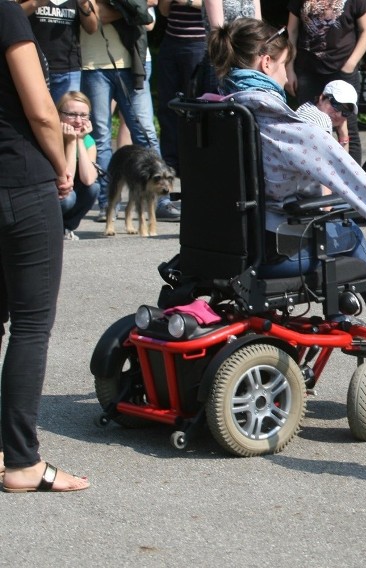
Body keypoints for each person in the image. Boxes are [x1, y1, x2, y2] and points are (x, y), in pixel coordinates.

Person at [207, 18, 366, 357]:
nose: (288, 77)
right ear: (266, 62)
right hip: (268, 253)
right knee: (351, 234)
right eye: (285, 65)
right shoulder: (292, 129)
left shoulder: (210, 110)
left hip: (214, 246)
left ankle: (340, 315)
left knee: (329, 227)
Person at [0, 0, 89, 492]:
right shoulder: (8, 13)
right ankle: (22, 462)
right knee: (32, 326)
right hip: (19, 181)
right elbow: (40, 110)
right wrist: (61, 165)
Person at [80, 1, 179, 222]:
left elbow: (149, 19)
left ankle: (160, 200)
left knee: (145, 134)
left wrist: (111, 10)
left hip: (135, 61)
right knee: (101, 137)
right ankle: (108, 204)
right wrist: (127, 10)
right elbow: (93, 20)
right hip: (93, 63)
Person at [286, 0, 366, 164]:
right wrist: (289, 69)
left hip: (342, 70)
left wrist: (350, 64)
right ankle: (312, 181)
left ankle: (352, 182)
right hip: (308, 70)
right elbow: (292, 31)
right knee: (307, 126)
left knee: (348, 129)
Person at [157, 0, 207, 176]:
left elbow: (218, 5)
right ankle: (171, 162)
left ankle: (196, 159)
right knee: (167, 105)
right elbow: (164, 12)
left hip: (198, 43)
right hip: (171, 41)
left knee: (196, 105)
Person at [17, 0, 98, 102]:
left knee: (68, 114)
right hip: (34, 66)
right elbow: (10, 15)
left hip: (68, 69)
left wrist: (84, 5)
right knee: (35, 114)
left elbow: (92, 28)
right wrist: (36, 3)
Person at [57, 91, 99, 240]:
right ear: (59, 114)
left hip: (69, 191)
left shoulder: (88, 141)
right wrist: (70, 141)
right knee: (69, 197)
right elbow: (65, 179)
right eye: (72, 114)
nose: (78, 121)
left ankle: (66, 228)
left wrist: (79, 141)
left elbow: (88, 179)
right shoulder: (52, 137)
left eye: (83, 115)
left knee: (93, 188)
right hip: (56, 192)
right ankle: (53, 228)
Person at [297, 80, 358, 150]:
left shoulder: (305, 109)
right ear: (321, 98)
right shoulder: (321, 119)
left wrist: (343, 135)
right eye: (336, 105)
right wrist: (344, 135)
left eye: (346, 112)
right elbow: (339, 160)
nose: (339, 114)